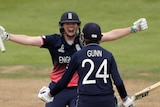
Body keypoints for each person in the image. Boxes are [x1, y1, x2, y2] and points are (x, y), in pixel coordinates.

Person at [0, 11, 147, 107]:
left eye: (74, 24)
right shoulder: (54, 41)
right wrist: (8, 36)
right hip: (58, 88)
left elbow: (111, 34)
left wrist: (133, 29)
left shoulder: (85, 39)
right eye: (67, 24)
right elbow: (30, 40)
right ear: (62, 26)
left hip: (80, 90)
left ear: (78, 26)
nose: (71, 26)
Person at [38, 22, 135, 107]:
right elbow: (118, 82)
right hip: (107, 100)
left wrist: (50, 94)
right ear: (100, 37)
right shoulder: (108, 55)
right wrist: (125, 99)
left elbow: (64, 81)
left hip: (86, 100)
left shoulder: (78, 55)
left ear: (84, 38)